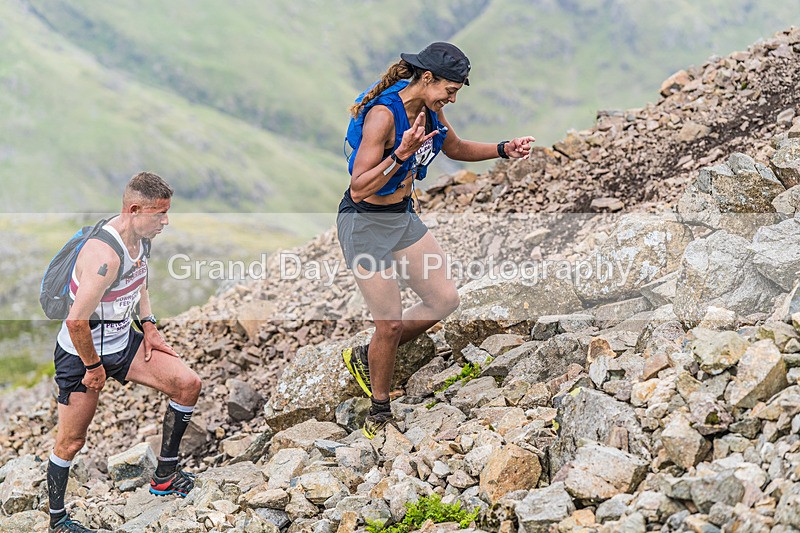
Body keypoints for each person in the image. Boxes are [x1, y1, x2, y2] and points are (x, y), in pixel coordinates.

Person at [338, 42, 535, 439]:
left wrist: (503, 149)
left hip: (401, 216)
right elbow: (358, 187)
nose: (453, 97)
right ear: (427, 78)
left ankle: (367, 355)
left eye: (457, 91)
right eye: (451, 89)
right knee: (390, 324)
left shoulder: (430, 110)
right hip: (364, 223)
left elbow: (456, 147)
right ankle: (378, 412)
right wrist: (401, 154)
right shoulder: (383, 116)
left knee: (445, 299)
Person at [46, 172, 202, 533]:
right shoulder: (104, 256)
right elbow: (75, 322)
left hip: (122, 341)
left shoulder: (141, 240)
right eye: (159, 213)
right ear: (134, 210)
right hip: (81, 354)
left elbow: (141, 280)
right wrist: (93, 367)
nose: (166, 221)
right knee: (72, 441)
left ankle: (165, 475)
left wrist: (148, 325)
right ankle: (57, 520)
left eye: (167, 212)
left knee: (188, 384)